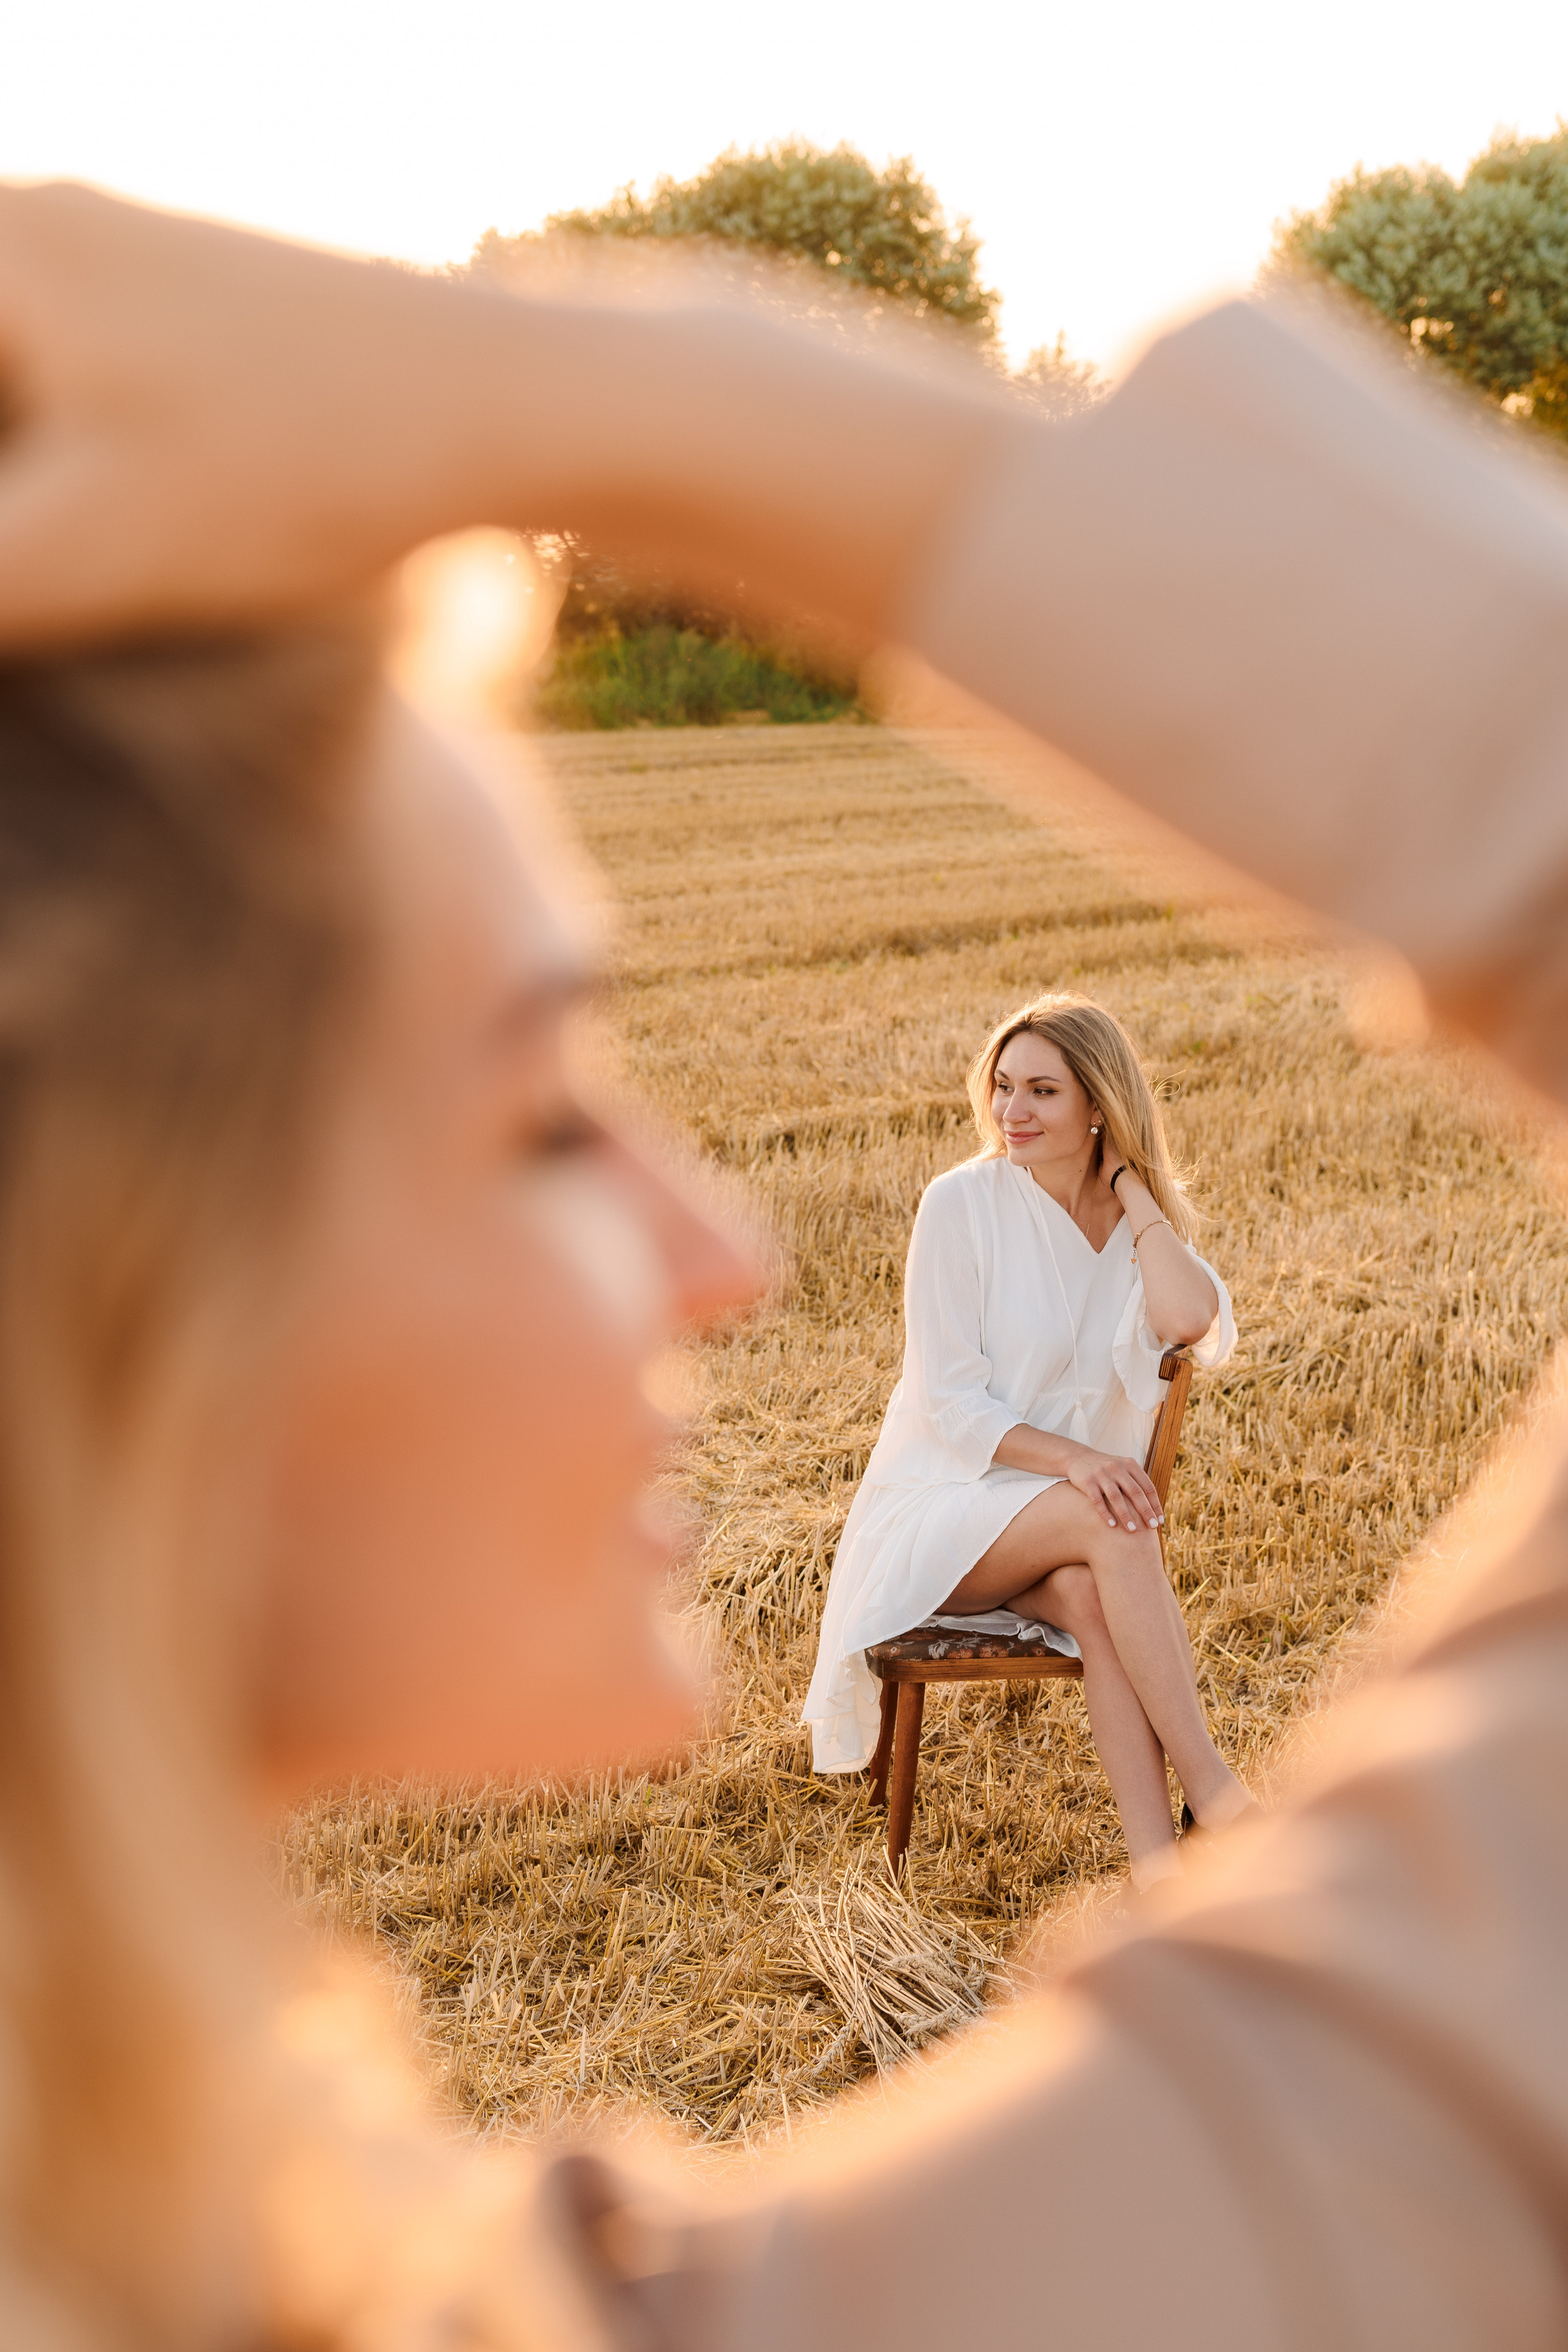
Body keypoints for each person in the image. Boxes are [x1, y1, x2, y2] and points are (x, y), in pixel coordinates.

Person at [4, 178, 1568, 2347]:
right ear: (110, 1309)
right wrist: (629, 390)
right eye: (543, 1116)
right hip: (971, 1512)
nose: (722, 1250)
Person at [805, 993, 1249, 1890]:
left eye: (1044, 1091)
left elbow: (1189, 1320)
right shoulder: (961, 1204)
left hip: (1057, 1530)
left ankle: (1160, 1878)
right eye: (1005, 1086)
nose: (1013, 1111)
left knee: (1093, 1593)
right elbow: (951, 1406)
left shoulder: (1134, 1226)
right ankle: (1219, 1795)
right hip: (938, 1516)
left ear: (1100, 1108)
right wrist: (1078, 1461)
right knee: (1111, 1519)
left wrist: (1133, 1190)